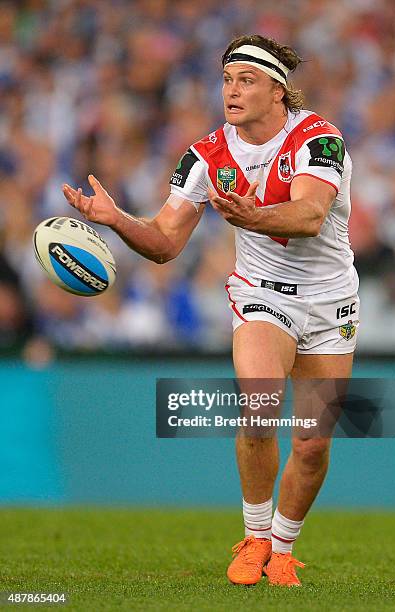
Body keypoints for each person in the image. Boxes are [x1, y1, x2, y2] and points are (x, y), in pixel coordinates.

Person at [62, 34, 359, 588]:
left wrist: (251, 217)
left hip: (330, 299)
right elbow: (165, 243)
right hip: (260, 294)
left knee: (314, 443)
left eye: (246, 80)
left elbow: (310, 216)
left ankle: (283, 549)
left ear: (279, 91)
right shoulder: (206, 156)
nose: (232, 90)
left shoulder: (320, 140)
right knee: (258, 406)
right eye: (226, 80)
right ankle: (254, 537)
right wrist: (115, 218)